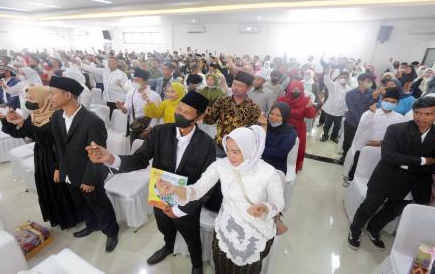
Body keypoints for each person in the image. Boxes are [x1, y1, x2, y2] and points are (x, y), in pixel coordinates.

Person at [85, 91, 216, 274]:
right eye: (179, 108)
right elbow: (139, 159)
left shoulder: (207, 144)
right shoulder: (160, 132)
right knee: (165, 229)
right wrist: (110, 158)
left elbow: (206, 184)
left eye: (187, 112)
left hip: (186, 203)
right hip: (160, 196)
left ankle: (196, 264)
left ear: (200, 116)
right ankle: (168, 247)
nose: (179, 113)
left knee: (191, 237)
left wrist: (180, 209)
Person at [156, 125, 284, 274]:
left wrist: (265, 207)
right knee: (221, 267)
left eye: (236, 152)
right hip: (227, 228)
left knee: (247, 270)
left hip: (255, 232)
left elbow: (278, 203)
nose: (230, 156)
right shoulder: (221, 166)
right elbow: (197, 190)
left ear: (249, 149)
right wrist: (175, 189)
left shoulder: (268, 172)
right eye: (228, 150)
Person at [348, 96, 435, 251]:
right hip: (387, 177)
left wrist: (405, 162)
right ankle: (355, 230)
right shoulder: (397, 129)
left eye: (428, 114)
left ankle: (373, 229)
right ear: (413, 112)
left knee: (392, 212)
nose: (422, 117)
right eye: (418, 113)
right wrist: (423, 161)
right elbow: (388, 156)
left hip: (415, 183)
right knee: (369, 206)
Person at [0, 86, 81, 229]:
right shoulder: (35, 114)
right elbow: (19, 133)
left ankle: (72, 217)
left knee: (61, 189)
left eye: (32, 99)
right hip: (42, 155)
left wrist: (23, 124)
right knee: (47, 187)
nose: (29, 102)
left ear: (43, 99)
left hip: (57, 156)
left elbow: (53, 139)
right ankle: (57, 217)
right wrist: (3, 118)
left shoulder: (57, 115)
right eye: (28, 99)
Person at [48, 76, 119, 252]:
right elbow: (58, 146)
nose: (49, 98)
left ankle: (111, 231)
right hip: (69, 171)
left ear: (67, 95)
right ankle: (91, 224)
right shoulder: (57, 117)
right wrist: (58, 168)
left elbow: (98, 155)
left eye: (52, 94)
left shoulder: (92, 121)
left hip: (88, 174)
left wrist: (89, 180)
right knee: (81, 203)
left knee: (99, 203)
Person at [344, 90, 405, 185]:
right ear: (382, 100)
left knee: (373, 167)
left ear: (397, 103)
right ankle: (350, 179)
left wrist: (381, 143)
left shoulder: (400, 118)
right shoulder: (371, 112)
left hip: (382, 148)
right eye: (387, 100)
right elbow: (362, 125)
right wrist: (371, 113)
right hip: (363, 145)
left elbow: (398, 136)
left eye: (393, 102)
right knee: (357, 164)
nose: (389, 103)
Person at [204, 71, 261, 157]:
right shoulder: (222, 101)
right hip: (220, 146)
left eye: (240, 86)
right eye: (234, 84)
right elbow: (210, 120)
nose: (235, 88)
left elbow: (252, 132)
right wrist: (204, 113)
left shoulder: (253, 107)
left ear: (248, 88)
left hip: (239, 150)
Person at [278, 81, 316, 171]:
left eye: (298, 89)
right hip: (283, 126)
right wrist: (302, 109)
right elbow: (280, 112)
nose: (296, 91)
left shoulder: (306, 100)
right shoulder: (282, 99)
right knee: (282, 147)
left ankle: (293, 166)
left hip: (299, 127)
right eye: (294, 89)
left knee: (296, 147)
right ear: (289, 89)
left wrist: (309, 107)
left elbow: (310, 115)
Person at [117, 68, 162, 144]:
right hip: (134, 127)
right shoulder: (130, 93)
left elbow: (158, 115)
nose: (135, 82)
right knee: (134, 150)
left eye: (138, 80)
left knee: (146, 152)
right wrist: (122, 108)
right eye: (134, 80)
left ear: (145, 81)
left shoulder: (154, 96)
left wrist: (150, 129)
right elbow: (127, 111)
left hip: (148, 129)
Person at [343, 73, 378, 160]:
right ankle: (344, 156)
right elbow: (352, 109)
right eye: (368, 81)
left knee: (360, 141)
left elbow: (371, 107)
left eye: (371, 82)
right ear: (360, 81)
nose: (370, 83)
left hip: (365, 123)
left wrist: (374, 98)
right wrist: (361, 120)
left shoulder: (372, 93)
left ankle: (355, 158)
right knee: (348, 140)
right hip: (352, 122)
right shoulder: (350, 94)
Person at [262, 102, 298, 174]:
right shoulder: (264, 125)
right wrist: (263, 126)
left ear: (285, 116)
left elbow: (280, 153)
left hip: (276, 164)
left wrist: (260, 148)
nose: (273, 117)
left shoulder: (290, 132)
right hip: (259, 160)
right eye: (272, 113)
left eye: (278, 115)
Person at [320, 66, 350, 143]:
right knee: (327, 124)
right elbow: (327, 82)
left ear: (347, 79)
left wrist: (347, 110)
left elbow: (348, 100)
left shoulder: (349, 89)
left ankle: (334, 137)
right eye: (341, 77)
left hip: (340, 111)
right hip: (330, 110)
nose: (343, 79)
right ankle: (325, 135)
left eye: (345, 77)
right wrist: (327, 74)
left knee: (337, 126)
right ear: (339, 78)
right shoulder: (333, 85)